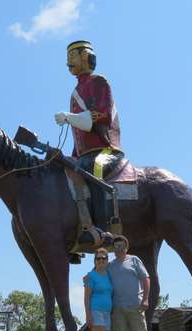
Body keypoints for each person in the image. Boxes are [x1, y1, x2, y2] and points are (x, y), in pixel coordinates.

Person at [54, 40, 123, 245]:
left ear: (85, 56)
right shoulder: (75, 93)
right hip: (84, 153)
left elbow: (101, 115)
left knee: (96, 171)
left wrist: (69, 117)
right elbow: (79, 134)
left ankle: (102, 230)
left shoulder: (99, 82)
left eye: (73, 56)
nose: (69, 61)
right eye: (68, 57)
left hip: (106, 150)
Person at [108, 236, 151, 331]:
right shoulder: (110, 265)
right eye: (116, 247)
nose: (118, 249)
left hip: (135, 305)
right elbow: (99, 275)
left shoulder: (134, 260)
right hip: (118, 307)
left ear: (126, 248)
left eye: (121, 246)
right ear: (113, 249)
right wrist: (88, 278)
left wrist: (145, 299)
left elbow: (146, 279)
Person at [84, 248, 114, 331]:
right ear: (94, 261)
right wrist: (88, 315)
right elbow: (86, 298)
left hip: (107, 312)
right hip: (95, 310)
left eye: (104, 258)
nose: (101, 260)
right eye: (98, 258)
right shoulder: (91, 276)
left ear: (107, 260)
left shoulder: (108, 275)